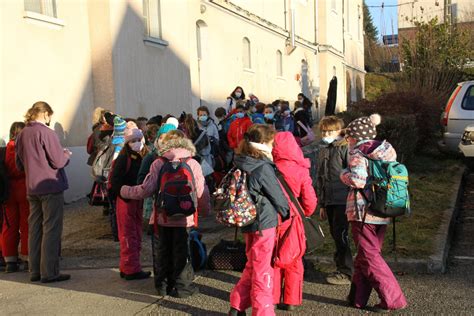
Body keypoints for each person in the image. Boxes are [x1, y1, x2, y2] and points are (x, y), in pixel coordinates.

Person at [121, 130, 207, 298]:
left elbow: (146, 189)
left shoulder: (158, 163)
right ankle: (183, 288)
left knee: (162, 252)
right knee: (182, 253)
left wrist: (124, 191)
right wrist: (204, 211)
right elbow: (201, 192)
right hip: (185, 219)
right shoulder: (193, 163)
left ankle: (162, 286)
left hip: (162, 217)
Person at [340, 114, 407, 312]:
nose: (348, 141)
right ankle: (357, 297)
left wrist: (343, 175)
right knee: (365, 254)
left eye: (349, 137)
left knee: (370, 255)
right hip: (384, 208)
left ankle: (394, 299)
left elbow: (358, 180)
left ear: (355, 137)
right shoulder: (385, 151)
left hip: (362, 210)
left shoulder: (358, 153)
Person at [229, 124, 290, 316]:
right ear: (263, 143)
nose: (273, 147)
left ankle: (237, 305)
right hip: (264, 221)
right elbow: (278, 197)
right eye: (271, 143)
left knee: (252, 265)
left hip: (248, 220)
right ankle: (262, 312)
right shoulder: (262, 166)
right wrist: (286, 213)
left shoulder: (241, 160)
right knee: (263, 271)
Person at [15, 101, 71, 283]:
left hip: (32, 186)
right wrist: (66, 155)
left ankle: (34, 271)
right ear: (45, 114)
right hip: (50, 186)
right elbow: (57, 161)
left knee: (34, 229)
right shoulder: (46, 133)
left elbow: (19, 163)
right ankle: (49, 272)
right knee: (51, 229)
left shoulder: (22, 134)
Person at [272, 132, 317, 311]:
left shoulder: (271, 168)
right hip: (295, 220)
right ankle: (291, 299)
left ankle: (273, 297)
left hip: (274, 218)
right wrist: (305, 212)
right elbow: (310, 200)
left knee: (274, 258)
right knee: (294, 258)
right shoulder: (301, 170)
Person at [109, 126, 151, 280]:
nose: (137, 143)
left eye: (139, 140)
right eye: (133, 140)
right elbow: (115, 183)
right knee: (129, 235)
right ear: (127, 143)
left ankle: (127, 266)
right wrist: (127, 193)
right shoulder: (123, 159)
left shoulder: (138, 157)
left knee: (135, 234)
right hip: (126, 201)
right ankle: (131, 269)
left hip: (135, 200)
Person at [316, 116, 353, 285]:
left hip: (343, 198)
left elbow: (353, 173)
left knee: (341, 235)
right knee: (335, 234)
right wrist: (322, 204)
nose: (326, 134)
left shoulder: (345, 148)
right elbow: (321, 177)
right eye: (324, 131)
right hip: (329, 199)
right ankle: (341, 266)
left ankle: (347, 271)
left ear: (339, 131)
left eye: (330, 131)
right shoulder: (325, 148)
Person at [2, 122, 29, 273]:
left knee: (9, 226)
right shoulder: (23, 149)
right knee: (27, 225)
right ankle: (27, 257)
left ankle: (10, 260)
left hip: (8, 190)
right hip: (24, 187)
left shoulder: (5, 150)